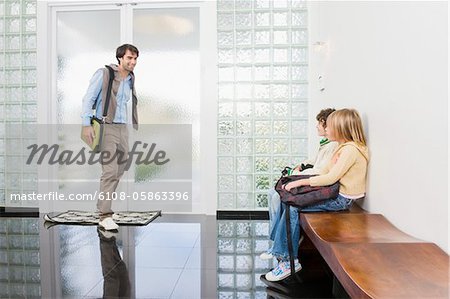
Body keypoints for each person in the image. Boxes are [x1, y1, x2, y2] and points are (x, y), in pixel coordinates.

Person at [265, 108, 369, 281]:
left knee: (293, 206)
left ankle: (289, 262)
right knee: (287, 199)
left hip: (341, 200)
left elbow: (330, 178)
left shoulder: (350, 150)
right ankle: (279, 249)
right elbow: (325, 171)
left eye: (330, 126)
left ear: (341, 129)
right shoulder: (343, 148)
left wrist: (299, 182)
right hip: (336, 193)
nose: (326, 129)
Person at [261, 108, 338, 260]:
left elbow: (321, 171)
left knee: (277, 196)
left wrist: (295, 177)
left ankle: (280, 245)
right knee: (274, 194)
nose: (317, 126)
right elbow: (315, 162)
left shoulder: (334, 147)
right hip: (314, 181)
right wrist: (301, 166)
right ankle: (278, 243)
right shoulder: (327, 144)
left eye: (320, 123)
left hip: (319, 185)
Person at [81, 44, 139, 230]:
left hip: (123, 128)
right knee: (110, 171)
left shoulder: (130, 78)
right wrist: (86, 124)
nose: (133, 62)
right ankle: (104, 214)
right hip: (106, 127)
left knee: (120, 169)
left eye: (135, 58)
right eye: (129, 58)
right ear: (120, 58)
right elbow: (88, 99)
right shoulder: (104, 73)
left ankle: (104, 208)